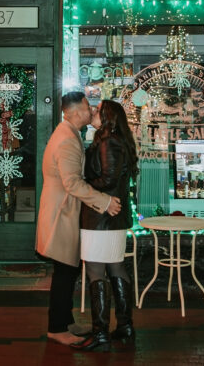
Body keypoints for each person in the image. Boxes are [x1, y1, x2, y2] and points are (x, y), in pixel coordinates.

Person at [36, 91, 121, 347]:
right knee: (64, 271)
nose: (91, 109)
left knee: (68, 270)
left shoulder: (69, 134)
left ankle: (65, 320)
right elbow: (72, 183)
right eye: (87, 107)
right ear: (74, 112)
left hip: (64, 210)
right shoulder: (67, 140)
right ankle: (57, 328)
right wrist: (104, 202)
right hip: (61, 212)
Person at [76, 99, 140, 351]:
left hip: (101, 217)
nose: (92, 111)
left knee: (95, 271)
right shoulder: (111, 140)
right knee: (115, 268)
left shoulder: (109, 142)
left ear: (108, 118)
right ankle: (124, 326)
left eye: (97, 110)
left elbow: (107, 179)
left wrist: (83, 184)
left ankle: (100, 332)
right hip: (111, 218)